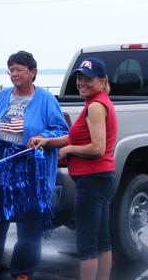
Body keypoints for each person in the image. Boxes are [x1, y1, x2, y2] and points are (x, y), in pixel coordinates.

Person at [0, 50, 68, 280]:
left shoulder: (45, 100)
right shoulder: (2, 96)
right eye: (11, 70)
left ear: (32, 73)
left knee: (29, 225)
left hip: (30, 172)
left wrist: (43, 138)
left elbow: (62, 132)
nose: (14, 74)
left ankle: (22, 271)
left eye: (19, 70)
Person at [29, 57, 117, 280]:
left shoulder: (96, 106)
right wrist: (49, 142)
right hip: (101, 177)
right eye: (79, 77)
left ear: (102, 80)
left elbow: (97, 148)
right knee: (102, 240)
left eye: (88, 78)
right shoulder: (98, 101)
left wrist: (68, 151)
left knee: (87, 245)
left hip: (91, 179)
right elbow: (76, 136)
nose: (81, 82)